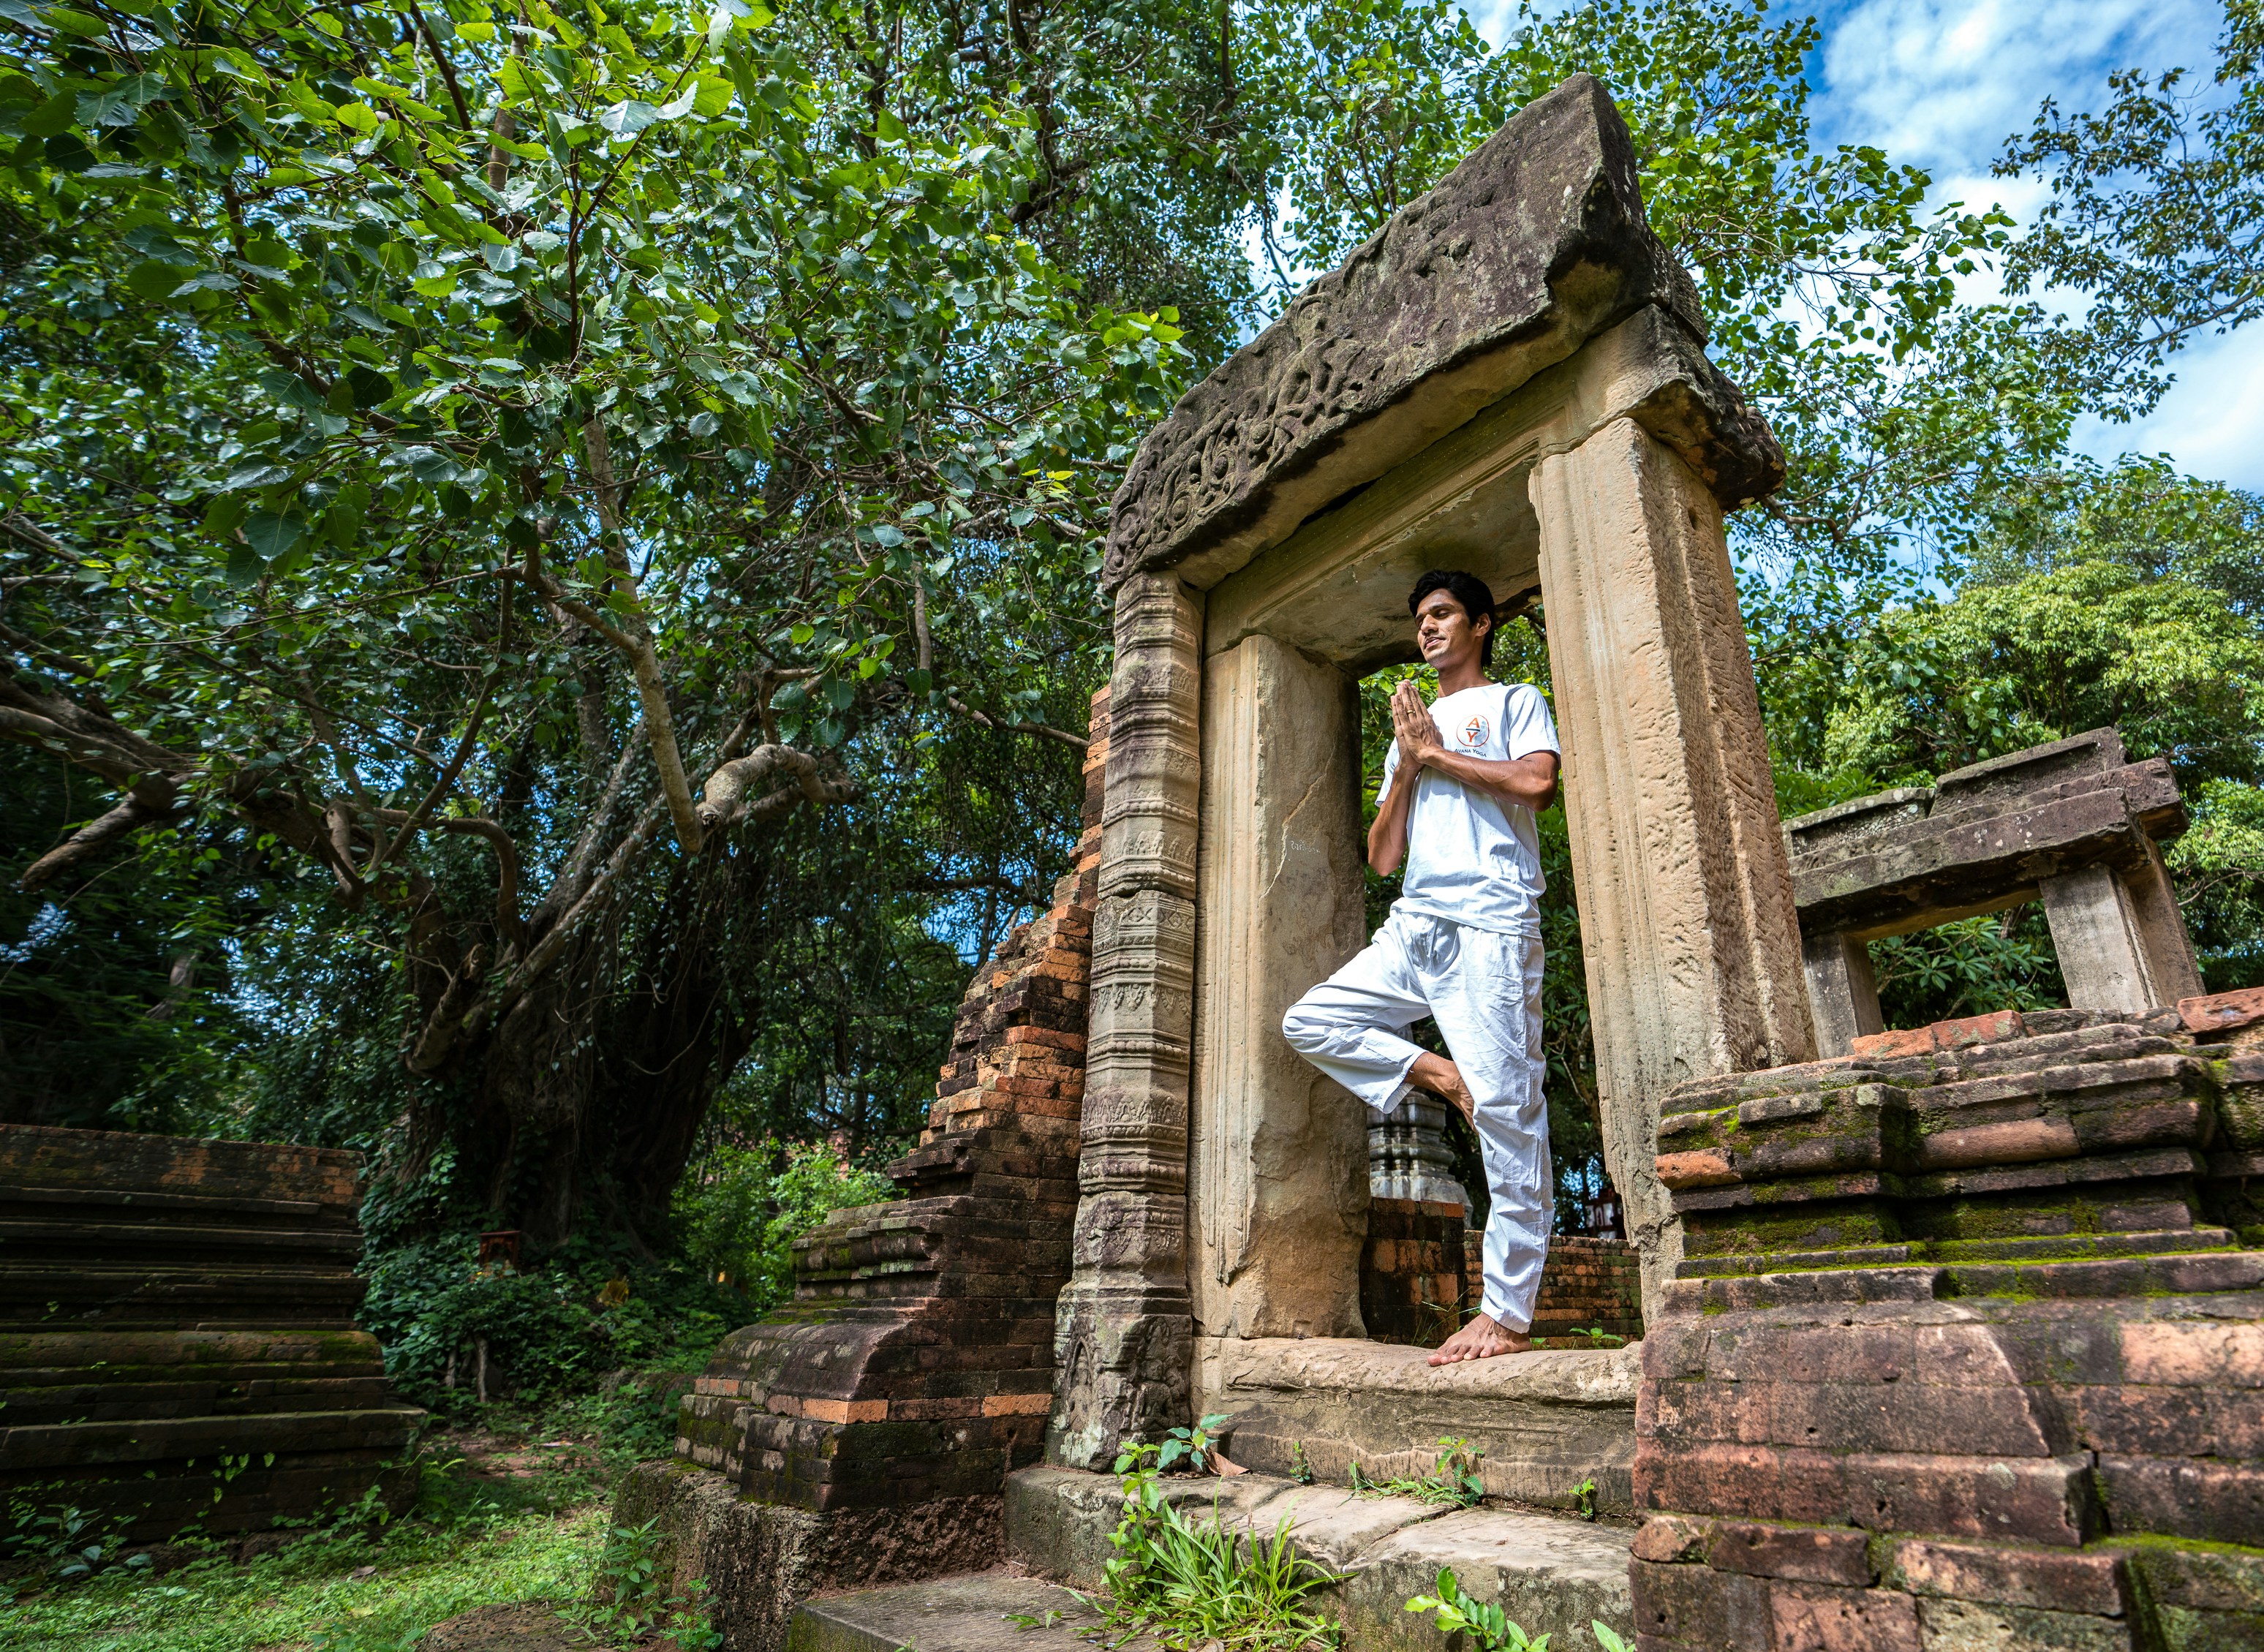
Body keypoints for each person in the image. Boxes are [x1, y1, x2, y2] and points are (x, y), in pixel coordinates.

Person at [1280, 570, 1561, 1364]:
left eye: (1441, 615)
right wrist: (1406, 766)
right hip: (1417, 925)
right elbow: (1381, 856)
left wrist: (1440, 755)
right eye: (1420, 620)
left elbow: (1538, 784)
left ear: (1479, 623)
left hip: (1492, 919)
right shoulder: (1412, 735)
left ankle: (1506, 1314)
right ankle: (1440, 1074)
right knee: (1311, 1020)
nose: (1427, 629)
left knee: (1509, 1108)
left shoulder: (1514, 702)